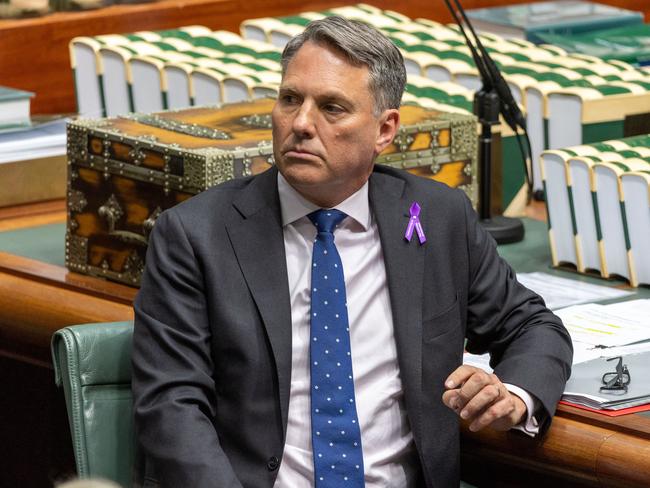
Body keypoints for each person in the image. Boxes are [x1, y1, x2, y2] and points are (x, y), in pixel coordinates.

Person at [132, 16, 572, 488]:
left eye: (332, 108)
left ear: (385, 130)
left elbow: (532, 326)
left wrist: (515, 396)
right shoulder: (196, 234)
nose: (300, 124)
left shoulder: (437, 217)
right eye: (289, 99)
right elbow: (171, 405)